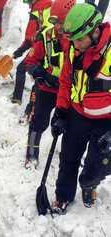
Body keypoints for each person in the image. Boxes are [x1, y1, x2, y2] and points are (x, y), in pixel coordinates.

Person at [51, 3, 110, 214]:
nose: (75, 44)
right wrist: (60, 111)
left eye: (79, 39)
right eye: (72, 40)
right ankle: (63, 195)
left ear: (95, 32)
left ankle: (88, 184)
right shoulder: (73, 49)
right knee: (68, 158)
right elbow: (66, 81)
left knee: (99, 164)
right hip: (77, 114)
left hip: (106, 121)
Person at [23, 0, 75, 168]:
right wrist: (42, 74)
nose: (59, 26)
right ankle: (31, 154)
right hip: (47, 88)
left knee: (71, 130)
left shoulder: (80, 39)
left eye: (63, 21)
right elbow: (30, 61)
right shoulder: (46, 36)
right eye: (56, 21)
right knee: (38, 123)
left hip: (70, 93)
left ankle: (70, 160)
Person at [11, 0, 52, 105]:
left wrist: (20, 50)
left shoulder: (36, 11)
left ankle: (17, 99)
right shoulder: (49, 5)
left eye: (29, 3)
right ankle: (32, 107)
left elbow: (30, 38)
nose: (29, 6)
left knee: (22, 69)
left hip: (41, 46)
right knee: (41, 78)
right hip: (50, 45)